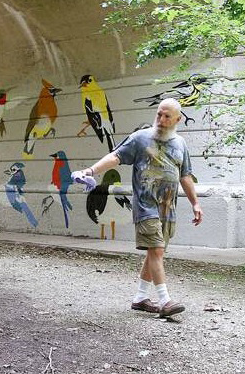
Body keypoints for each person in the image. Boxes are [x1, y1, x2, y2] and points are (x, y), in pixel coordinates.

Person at [73, 98, 202, 317]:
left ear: (177, 119)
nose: (161, 119)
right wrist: (90, 171)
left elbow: (185, 176)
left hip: (168, 208)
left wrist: (195, 203)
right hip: (146, 206)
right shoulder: (140, 138)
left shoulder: (180, 144)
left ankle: (140, 298)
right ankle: (165, 301)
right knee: (157, 250)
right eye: (159, 114)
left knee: (155, 252)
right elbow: (116, 156)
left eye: (167, 116)